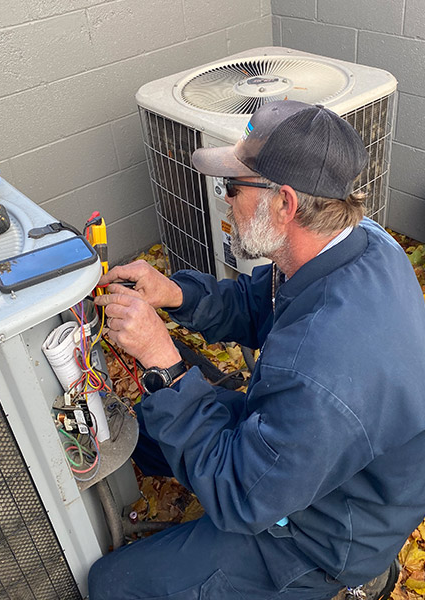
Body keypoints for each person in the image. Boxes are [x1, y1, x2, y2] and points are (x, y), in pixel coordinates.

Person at [86, 100, 425, 600]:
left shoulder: (321, 368)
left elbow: (240, 498)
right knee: (142, 429)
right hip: (312, 448)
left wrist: (164, 364)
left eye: (232, 187)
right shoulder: (359, 241)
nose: (224, 200)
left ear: (285, 203)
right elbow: (260, 300)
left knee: (112, 585)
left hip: (325, 532)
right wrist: (175, 294)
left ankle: (357, 580)